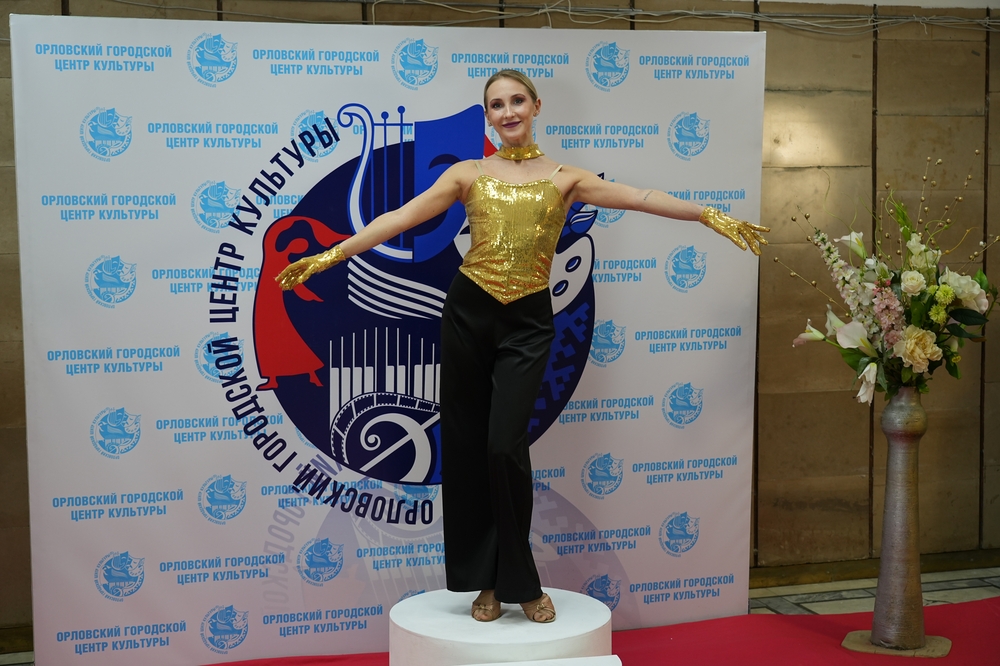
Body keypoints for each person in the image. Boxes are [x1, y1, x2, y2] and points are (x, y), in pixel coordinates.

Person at [277, 69, 768, 624]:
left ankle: (522, 581)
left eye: (516, 101)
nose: (507, 111)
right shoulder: (467, 173)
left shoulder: (566, 178)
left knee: (503, 446)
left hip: (528, 321)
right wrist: (331, 255)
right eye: (496, 105)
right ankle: (484, 582)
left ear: (536, 106)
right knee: (466, 447)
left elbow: (641, 196)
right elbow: (400, 218)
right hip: (467, 314)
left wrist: (707, 215)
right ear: (487, 115)